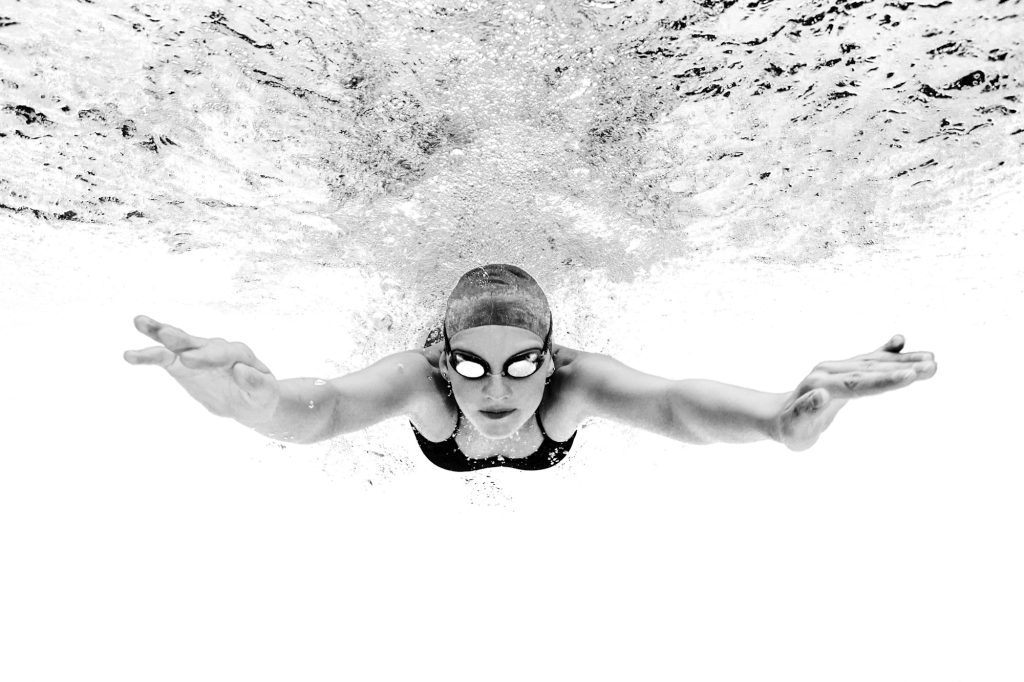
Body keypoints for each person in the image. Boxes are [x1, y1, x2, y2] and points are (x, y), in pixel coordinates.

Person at [123, 264, 937, 470]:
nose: (500, 390)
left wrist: (775, 420)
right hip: (442, 448)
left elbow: (673, 405)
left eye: (523, 366)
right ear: (443, 359)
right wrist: (248, 404)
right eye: (471, 370)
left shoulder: (577, 382)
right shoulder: (420, 380)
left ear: (554, 358)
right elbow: (325, 411)